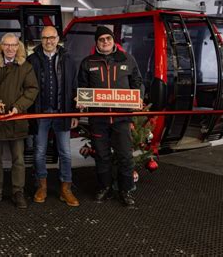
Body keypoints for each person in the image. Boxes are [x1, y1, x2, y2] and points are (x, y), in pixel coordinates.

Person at [77, 26, 144, 207]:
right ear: (96, 42)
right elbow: (82, 87)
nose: (105, 41)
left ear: (113, 40)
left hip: (121, 118)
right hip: (98, 120)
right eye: (101, 39)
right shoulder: (88, 62)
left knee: (125, 156)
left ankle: (126, 190)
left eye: (108, 38)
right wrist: (81, 100)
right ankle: (104, 187)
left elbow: (137, 82)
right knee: (102, 155)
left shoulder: (127, 59)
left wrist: (139, 97)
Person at [0, 33, 39, 209]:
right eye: (7, 45)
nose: (10, 48)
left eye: (14, 45)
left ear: (18, 47)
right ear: (1, 46)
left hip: (17, 120)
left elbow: (32, 89)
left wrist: (18, 107)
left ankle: (17, 191)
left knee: (18, 160)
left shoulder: (25, 67)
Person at [27, 26, 80, 207]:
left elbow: (74, 87)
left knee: (65, 152)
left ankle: (66, 189)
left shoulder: (68, 60)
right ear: (40, 40)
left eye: (52, 37)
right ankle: (41, 186)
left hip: (62, 112)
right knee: (39, 152)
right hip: (40, 113)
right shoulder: (32, 60)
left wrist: (74, 113)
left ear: (58, 39)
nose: (48, 41)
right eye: (44, 38)